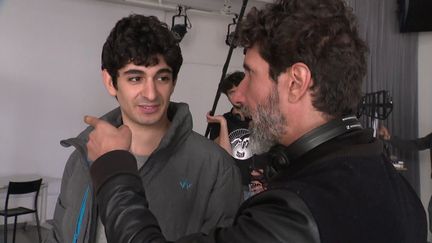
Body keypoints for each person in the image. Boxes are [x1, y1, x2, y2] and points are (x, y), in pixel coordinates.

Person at [84, 0, 428, 242]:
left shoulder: (294, 215)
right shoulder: (400, 192)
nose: (241, 94)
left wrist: (114, 168)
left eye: (250, 74)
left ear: (295, 81)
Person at [45, 14, 242, 243]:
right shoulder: (82, 157)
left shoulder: (216, 169)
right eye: (136, 78)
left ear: (173, 82)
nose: (150, 94)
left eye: (162, 78)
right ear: (111, 82)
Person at [206, 71, 268, 198]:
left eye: (240, 91)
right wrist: (223, 123)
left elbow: (271, 152)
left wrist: (265, 179)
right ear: (227, 96)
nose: (236, 97)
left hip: (258, 188)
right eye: (231, 93)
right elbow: (224, 156)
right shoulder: (219, 122)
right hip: (231, 187)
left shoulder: (262, 119)